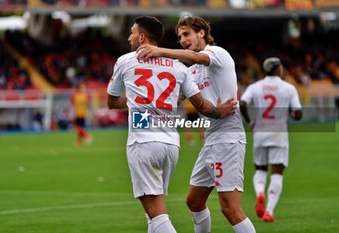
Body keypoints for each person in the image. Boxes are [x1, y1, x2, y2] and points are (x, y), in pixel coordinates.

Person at [107, 16, 237, 233]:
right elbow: (203, 107)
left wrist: (136, 101)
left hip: (143, 141)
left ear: (142, 37)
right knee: (152, 215)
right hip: (170, 145)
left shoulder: (125, 61)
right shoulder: (179, 67)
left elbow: (111, 102)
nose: (128, 37)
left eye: (131, 32)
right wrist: (218, 111)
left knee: (157, 214)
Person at [137, 16, 256, 233]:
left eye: (186, 34)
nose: (182, 39)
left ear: (201, 33)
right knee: (194, 201)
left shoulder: (217, 54)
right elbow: (172, 99)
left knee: (230, 209)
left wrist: (160, 51)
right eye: (179, 36)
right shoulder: (190, 70)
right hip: (211, 140)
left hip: (228, 139)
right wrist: (137, 104)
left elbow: (195, 57)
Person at [239, 57, 302, 222]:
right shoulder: (288, 88)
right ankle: (269, 211)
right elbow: (298, 112)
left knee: (260, 169)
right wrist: (294, 115)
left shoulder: (255, 87)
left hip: (260, 133)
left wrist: (250, 121)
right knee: (277, 173)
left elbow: (243, 104)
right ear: (278, 70)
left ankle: (260, 192)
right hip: (278, 134)